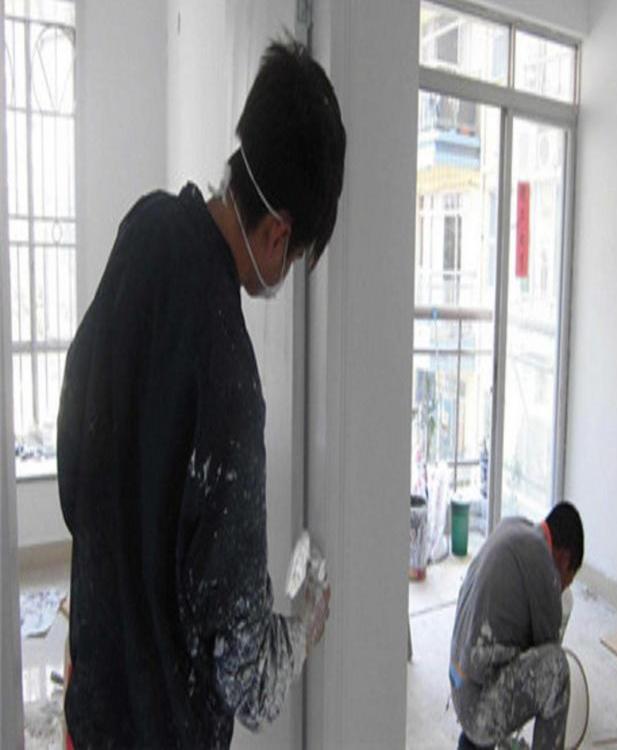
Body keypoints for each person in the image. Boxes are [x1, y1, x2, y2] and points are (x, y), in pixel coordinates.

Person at [57, 39, 346, 749]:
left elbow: (73, 461)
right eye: (297, 256)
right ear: (278, 234)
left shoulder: (145, 228)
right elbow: (250, 682)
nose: (286, 271)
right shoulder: (230, 385)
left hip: (91, 704)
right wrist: (305, 625)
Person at [449, 501, 584, 750]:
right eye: (567, 580)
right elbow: (547, 658)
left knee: (499, 650)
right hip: (478, 710)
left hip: (460, 685)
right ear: (565, 559)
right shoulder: (543, 564)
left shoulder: (512, 528)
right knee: (557, 670)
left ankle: (474, 743)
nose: (562, 588)